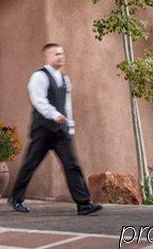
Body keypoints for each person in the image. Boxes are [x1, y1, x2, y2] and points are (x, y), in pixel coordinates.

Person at [8, 43, 102, 216]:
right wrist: (53, 114)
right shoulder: (39, 76)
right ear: (48, 57)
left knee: (72, 164)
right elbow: (38, 100)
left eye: (62, 53)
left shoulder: (65, 79)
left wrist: (69, 125)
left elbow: (67, 105)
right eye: (57, 54)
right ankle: (16, 198)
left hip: (61, 131)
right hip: (43, 130)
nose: (61, 56)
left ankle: (83, 204)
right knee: (30, 164)